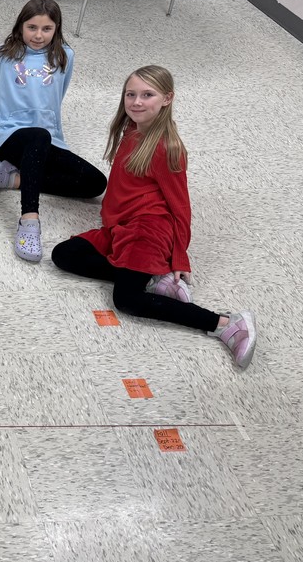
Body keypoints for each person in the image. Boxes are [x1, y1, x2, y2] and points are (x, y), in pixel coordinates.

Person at [51, 66, 256, 368]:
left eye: (147, 95)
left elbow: (180, 206)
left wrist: (179, 258)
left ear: (167, 99)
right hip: (121, 226)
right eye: (130, 94)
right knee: (64, 255)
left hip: (149, 229)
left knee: (127, 300)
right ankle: (153, 280)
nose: (136, 102)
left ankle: (226, 324)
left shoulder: (168, 148)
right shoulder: (131, 130)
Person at [0, 0, 106, 262]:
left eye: (46, 29)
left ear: (56, 29)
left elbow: (56, 99)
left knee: (96, 183)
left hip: (46, 139)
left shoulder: (65, 56)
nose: (38, 35)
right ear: (20, 27)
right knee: (38, 135)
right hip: (7, 135)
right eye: (32, 27)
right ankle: (29, 221)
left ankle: (13, 179)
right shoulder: (2, 54)